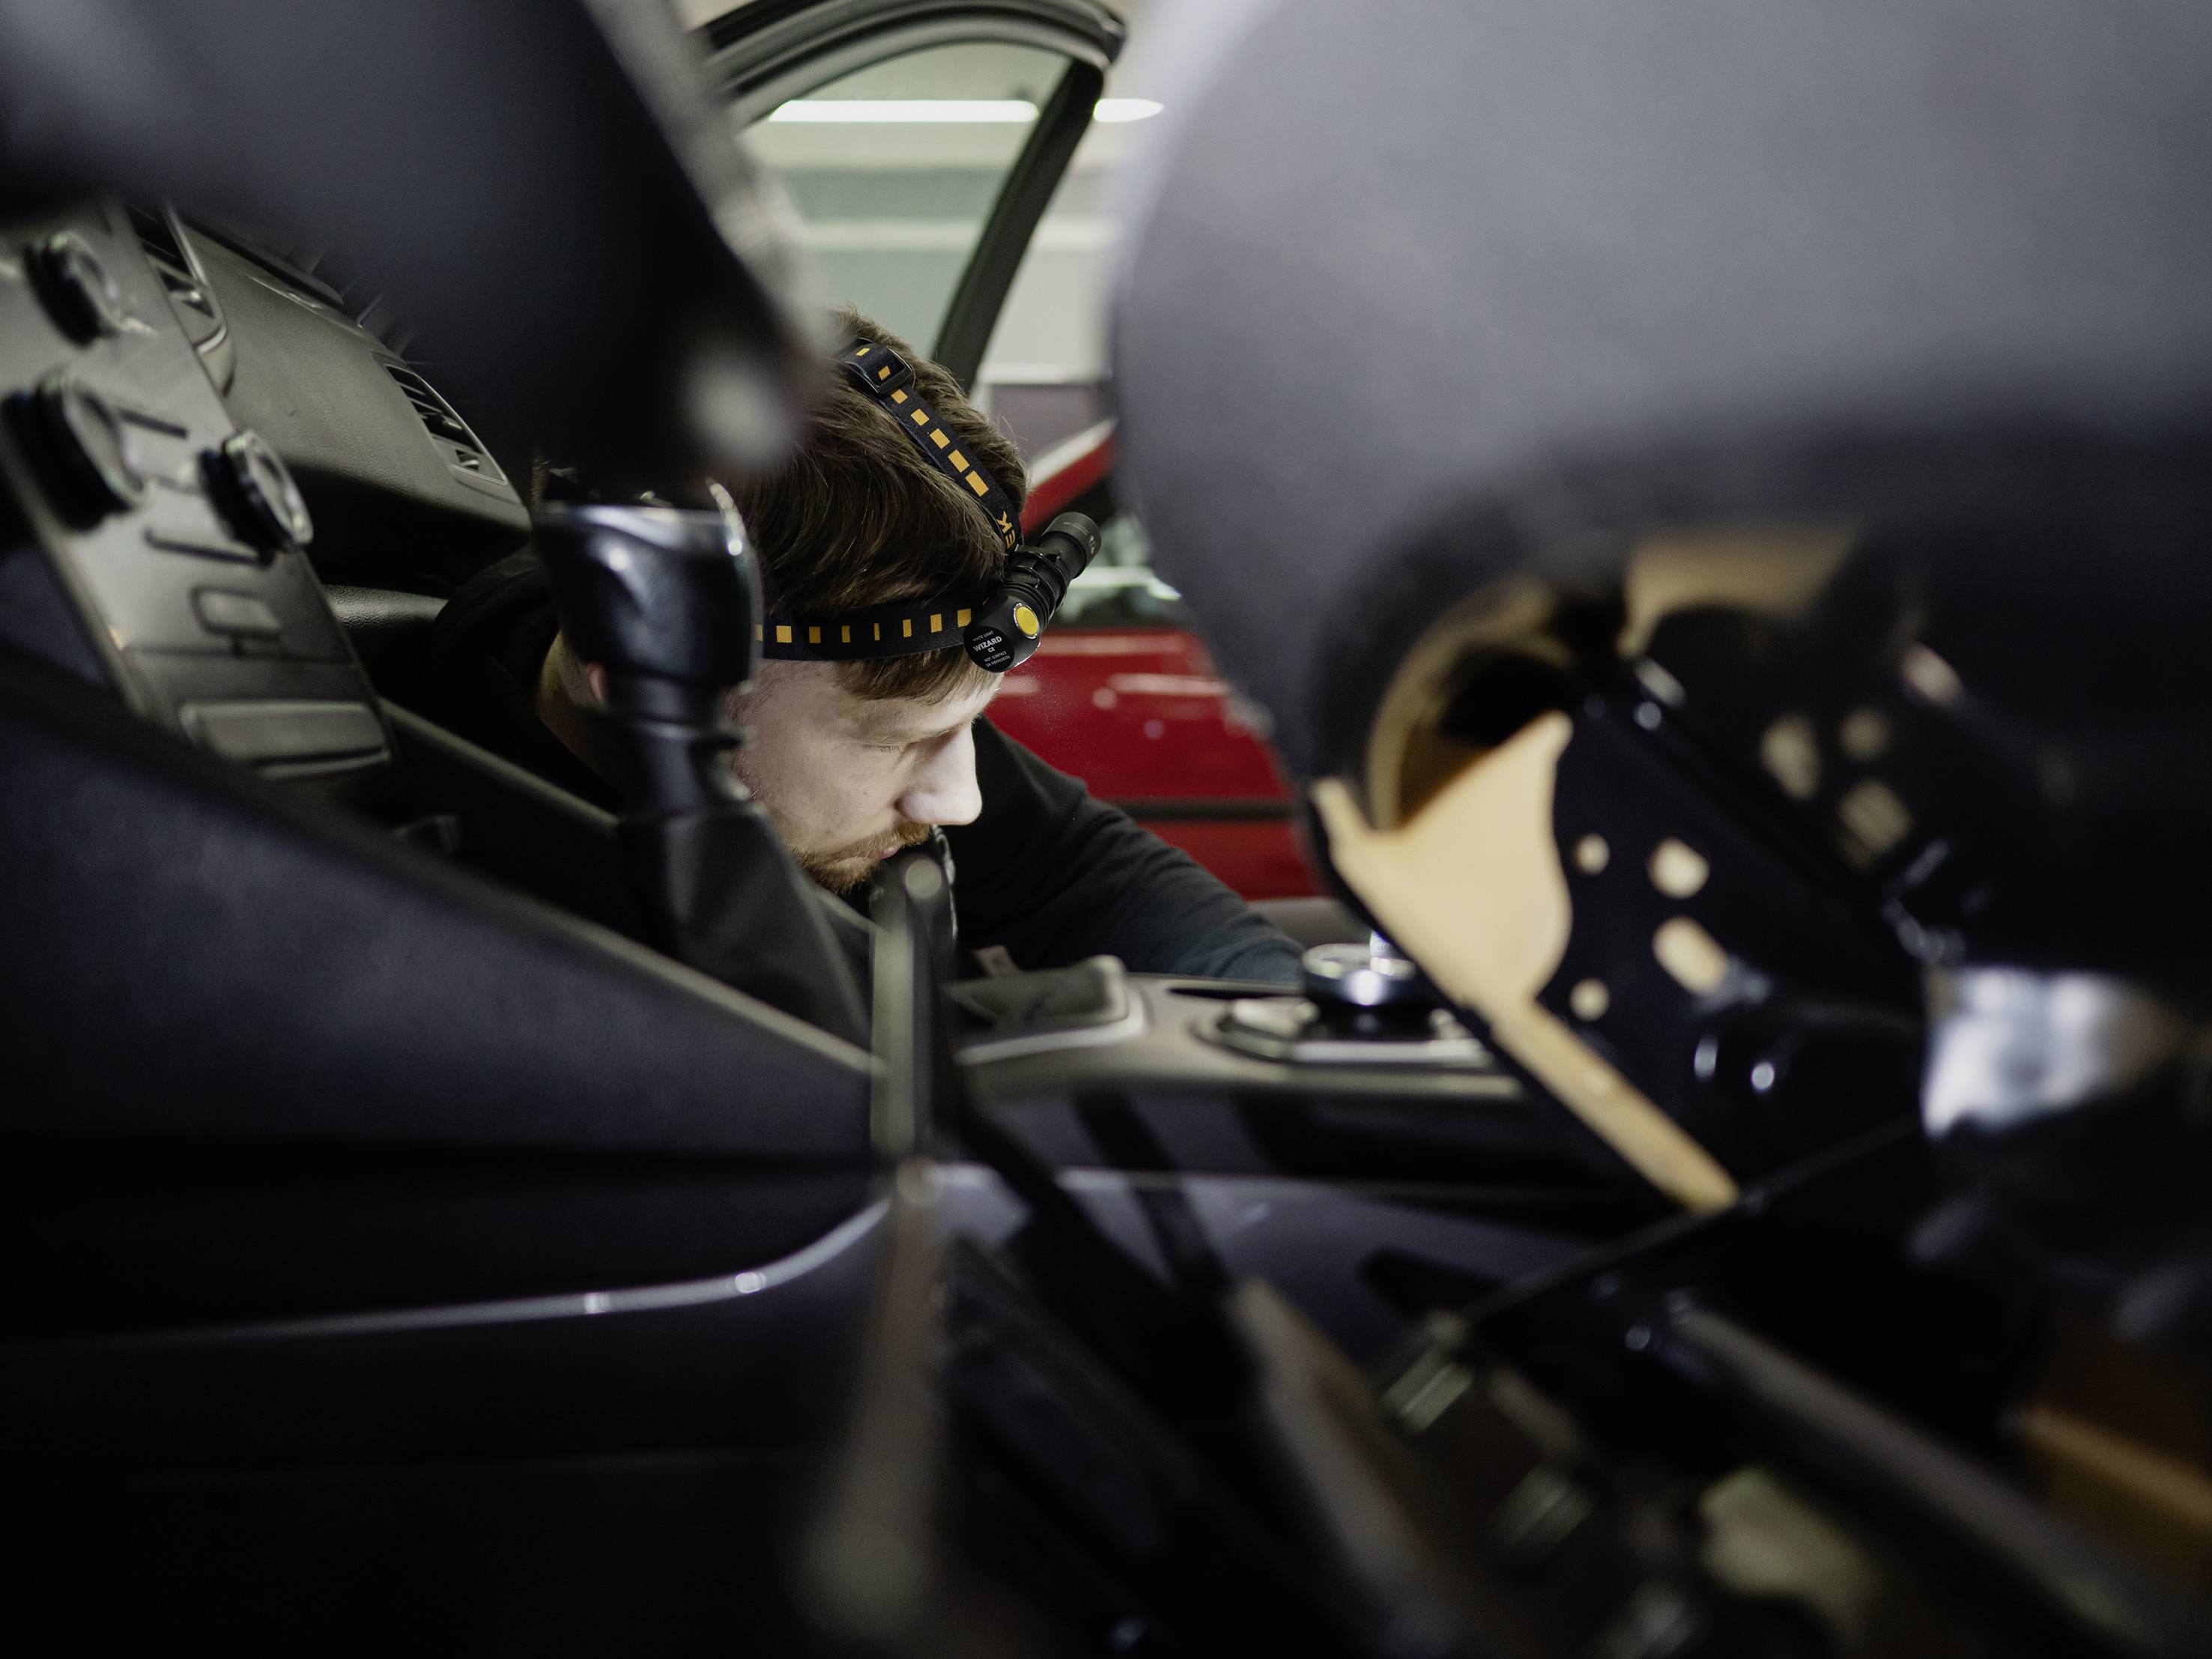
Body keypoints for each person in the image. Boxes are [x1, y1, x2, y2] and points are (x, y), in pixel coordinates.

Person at [413, 309, 1302, 986]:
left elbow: (1095, 882)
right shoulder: (469, 933)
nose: (958, 801)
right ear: (643, 666)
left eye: (961, 728)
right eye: (894, 740)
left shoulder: (843, 719)